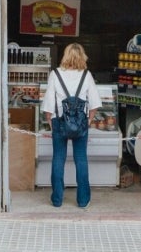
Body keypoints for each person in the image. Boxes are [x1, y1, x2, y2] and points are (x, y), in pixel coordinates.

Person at [42, 43, 102, 208]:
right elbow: (95, 104)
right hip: (81, 122)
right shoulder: (86, 75)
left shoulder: (55, 74)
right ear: (82, 57)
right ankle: (83, 200)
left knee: (58, 159)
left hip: (59, 121)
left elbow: (48, 105)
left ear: (65, 56)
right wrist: (88, 120)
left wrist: (51, 122)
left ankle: (57, 200)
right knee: (81, 159)